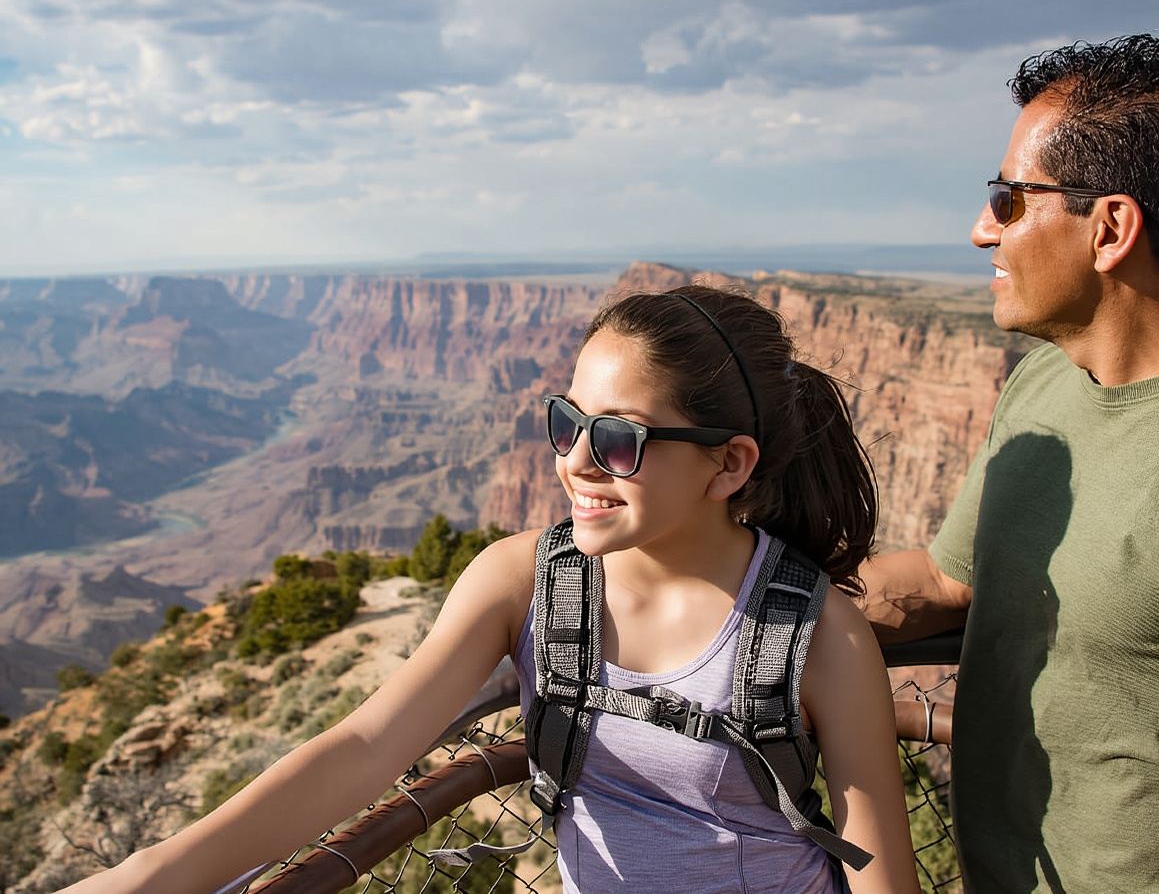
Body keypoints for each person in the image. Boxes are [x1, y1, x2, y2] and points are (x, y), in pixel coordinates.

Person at [66, 285, 921, 893]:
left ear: (728, 464)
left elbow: (881, 874)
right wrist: (150, 875)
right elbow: (366, 747)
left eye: (618, 439)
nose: (575, 461)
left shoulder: (816, 634)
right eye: (567, 421)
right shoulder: (524, 581)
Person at [858, 34, 1159, 892]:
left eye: (1009, 200)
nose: (983, 230)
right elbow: (945, 583)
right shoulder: (1047, 381)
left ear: (1110, 228)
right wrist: (726, 605)